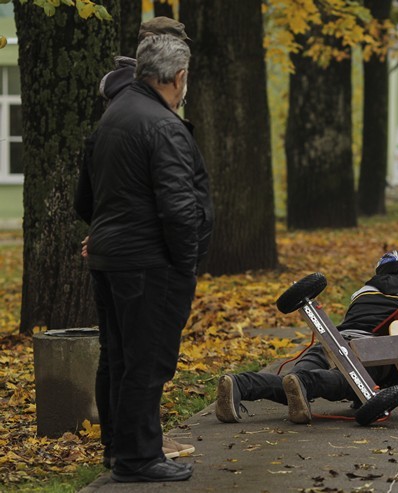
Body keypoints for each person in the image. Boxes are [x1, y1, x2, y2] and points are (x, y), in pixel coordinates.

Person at [74, 35, 213, 483]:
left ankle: (119, 450)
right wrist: (184, 264)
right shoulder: (162, 124)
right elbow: (179, 208)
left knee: (118, 357)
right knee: (146, 361)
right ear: (179, 77)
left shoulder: (114, 115)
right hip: (149, 264)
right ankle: (139, 458)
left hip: (112, 257)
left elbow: (84, 201)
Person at [215, 251, 398, 425]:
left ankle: (240, 383)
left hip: (333, 340)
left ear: (379, 272)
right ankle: (304, 382)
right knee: (347, 382)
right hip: (372, 351)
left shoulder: (361, 293)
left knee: (290, 384)